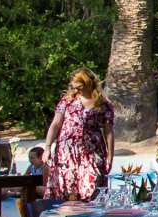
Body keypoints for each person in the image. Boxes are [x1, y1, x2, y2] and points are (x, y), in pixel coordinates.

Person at [43, 69, 114, 201]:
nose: (77, 90)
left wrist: (110, 155)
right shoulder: (67, 101)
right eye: (75, 87)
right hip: (67, 152)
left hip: (92, 152)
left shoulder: (103, 104)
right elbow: (55, 124)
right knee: (67, 189)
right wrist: (47, 147)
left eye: (80, 87)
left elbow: (108, 131)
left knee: (92, 188)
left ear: (87, 83)